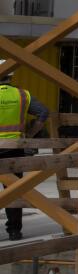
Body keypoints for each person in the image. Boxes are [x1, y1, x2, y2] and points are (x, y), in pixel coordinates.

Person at [0, 63, 48, 241]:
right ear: (10, 77)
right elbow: (43, 112)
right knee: (13, 190)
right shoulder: (22, 95)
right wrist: (30, 134)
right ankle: (14, 231)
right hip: (14, 149)